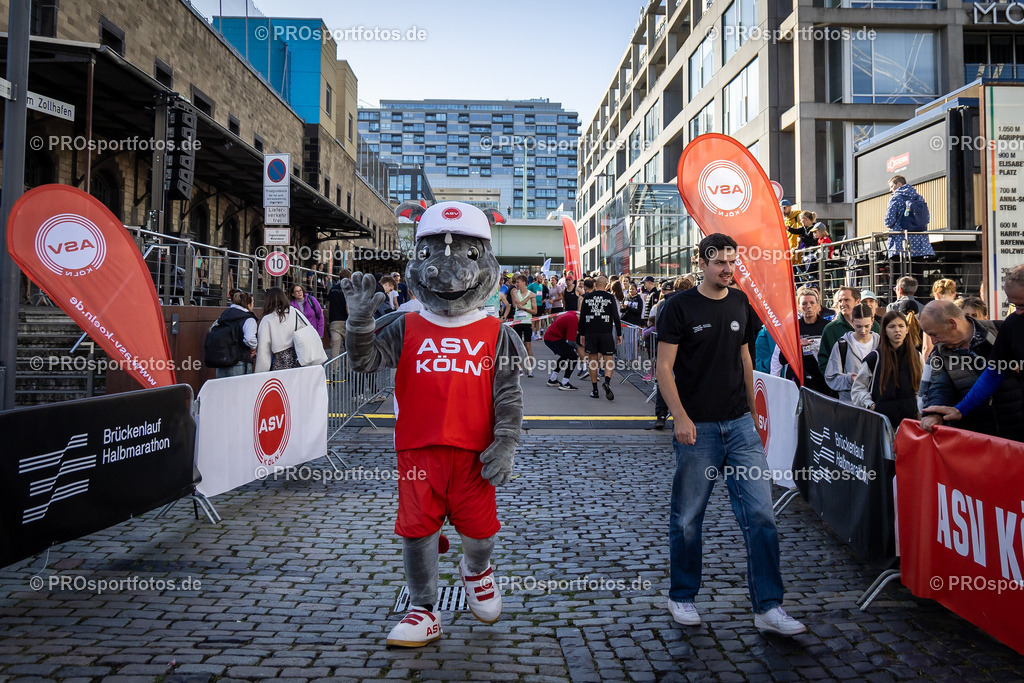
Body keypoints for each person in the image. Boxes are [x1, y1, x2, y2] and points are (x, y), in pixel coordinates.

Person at [656, 233, 806, 636]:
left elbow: (744, 357)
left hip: (740, 427)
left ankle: (768, 607)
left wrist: (755, 415)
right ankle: (682, 596)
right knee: (688, 518)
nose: (727, 268)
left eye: (731, 262)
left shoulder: (741, 302)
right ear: (700, 262)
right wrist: (681, 418)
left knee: (761, 516)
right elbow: (664, 369)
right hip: (697, 429)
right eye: (719, 262)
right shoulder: (678, 307)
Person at [918, 300, 1023, 440]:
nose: (933, 341)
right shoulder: (940, 353)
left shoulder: (999, 330)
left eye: (934, 334)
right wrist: (934, 414)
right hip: (976, 438)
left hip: (1016, 431)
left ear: (952, 323)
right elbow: (939, 387)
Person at [851, 310, 922, 429]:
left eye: (901, 326)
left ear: (907, 329)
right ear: (885, 330)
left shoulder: (916, 357)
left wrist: (918, 410)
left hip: (910, 423)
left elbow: (922, 389)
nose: (897, 330)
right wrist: (871, 405)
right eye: (892, 326)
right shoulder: (874, 358)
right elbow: (858, 389)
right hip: (881, 423)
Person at [773, 287, 831, 393]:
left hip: (822, 380)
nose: (808, 306)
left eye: (812, 303)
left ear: (818, 305)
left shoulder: (828, 327)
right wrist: (797, 346)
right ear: (799, 307)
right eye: (804, 303)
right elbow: (782, 359)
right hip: (799, 381)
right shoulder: (792, 328)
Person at [817, 286, 879, 376]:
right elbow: (824, 362)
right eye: (840, 301)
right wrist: (840, 381)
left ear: (857, 302)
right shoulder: (831, 329)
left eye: (846, 300)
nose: (842, 304)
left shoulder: (874, 326)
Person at [578, 275, 622, 400]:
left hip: (591, 333)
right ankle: (607, 382)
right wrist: (619, 333)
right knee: (609, 360)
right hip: (606, 333)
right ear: (606, 285)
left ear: (595, 285)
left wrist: (581, 333)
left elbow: (582, 317)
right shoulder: (610, 297)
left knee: (593, 361)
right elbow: (616, 317)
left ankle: (595, 390)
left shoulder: (587, 298)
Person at [825, 304, 880, 402]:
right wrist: (849, 378)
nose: (863, 331)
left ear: (872, 321)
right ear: (852, 322)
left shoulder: (880, 343)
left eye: (867, 326)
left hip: (876, 400)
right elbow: (831, 377)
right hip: (850, 402)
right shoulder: (842, 344)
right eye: (858, 326)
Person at [256, 287, 310, 372]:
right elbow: (308, 330)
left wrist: (260, 373)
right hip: (300, 361)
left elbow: (263, 351)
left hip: (281, 363)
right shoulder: (295, 312)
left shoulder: (267, 319)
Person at [884, 175, 935, 264]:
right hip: (919, 242)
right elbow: (926, 218)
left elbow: (889, 221)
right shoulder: (919, 197)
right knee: (917, 274)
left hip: (899, 242)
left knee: (897, 274)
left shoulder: (895, 198)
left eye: (892, 186)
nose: (890, 190)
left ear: (899, 184)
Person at [209, 290, 258, 378]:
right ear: (248, 304)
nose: (253, 306)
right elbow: (249, 338)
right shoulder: (249, 319)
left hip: (222, 361)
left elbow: (212, 330)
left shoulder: (224, 315)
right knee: (240, 391)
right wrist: (253, 349)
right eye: (253, 303)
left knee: (223, 390)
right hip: (240, 362)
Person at [543, 310, 580, 391]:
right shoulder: (573, 319)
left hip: (551, 337)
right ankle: (565, 383)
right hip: (553, 338)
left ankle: (553, 379)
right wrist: (579, 349)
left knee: (565, 355)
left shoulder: (572, 314)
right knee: (573, 357)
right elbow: (571, 342)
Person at [510, 274, 537, 377]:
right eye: (516, 282)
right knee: (517, 345)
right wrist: (528, 299)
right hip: (517, 322)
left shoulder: (532, 294)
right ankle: (520, 367)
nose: (516, 284)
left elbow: (535, 311)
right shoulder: (514, 292)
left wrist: (525, 308)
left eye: (518, 282)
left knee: (528, 345)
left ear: (524, 283)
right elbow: (517, 304)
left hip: (527, 322)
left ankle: (530, 368)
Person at [327, 270, 351, 359]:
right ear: (349, 278)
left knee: (335, 348)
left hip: (335, 322)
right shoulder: (349, 290)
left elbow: (329, 306)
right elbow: (347, 306)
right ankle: (348, 370)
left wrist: (328, 320)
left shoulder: (332, 289)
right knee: (348, 348)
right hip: (347, 322)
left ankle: (333, 370)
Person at [781, 199, 802, 265]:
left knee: (800, 271)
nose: (783, 211)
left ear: (790, 207)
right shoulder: (785, 220)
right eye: (782, 209)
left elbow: (801, 230)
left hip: (798, 250)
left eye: (785, 208)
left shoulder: (798, 216)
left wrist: (797, 246)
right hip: (790, 252)